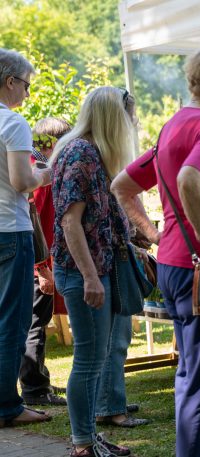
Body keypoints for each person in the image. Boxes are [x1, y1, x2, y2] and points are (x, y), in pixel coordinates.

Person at [111, 46, 200, 457]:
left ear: (192, 82)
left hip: (173, 265)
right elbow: (190, 177)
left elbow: (123, 185)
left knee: (190, 377)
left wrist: (155, 234)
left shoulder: (172, 126)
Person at [50, 86, 134, 457]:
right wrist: (88, 276)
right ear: (113, 117)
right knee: (88, 359)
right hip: (83, 272)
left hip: (94, 269)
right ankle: (83, 443)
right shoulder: (82, 153)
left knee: (94, 358)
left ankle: (89, 439)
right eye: (128, 115)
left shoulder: (89, 150)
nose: (132, 123)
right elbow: (71, 223)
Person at [0, 48, 53, 428]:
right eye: (26, 84)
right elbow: (22, 182)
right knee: (12, 322)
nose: (27, 94)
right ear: (9, 81)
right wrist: (48, 174)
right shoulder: (12, 122)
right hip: (10, 231)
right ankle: (7, 408)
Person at [95, 91, 150, 429]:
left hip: (112, 256)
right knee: (115, 337)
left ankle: (111, 400)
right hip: (108, 259)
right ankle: (110, 408)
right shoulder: (96, 157)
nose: (135, 122)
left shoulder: (102, 155)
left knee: (117, 336)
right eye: (131, 115)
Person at [20, 117, 71, 408]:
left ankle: (39, 378)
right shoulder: (38, 171)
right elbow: (33, 218)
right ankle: (35, 388)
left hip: (36, 259)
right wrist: (41, 267)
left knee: (35, 322)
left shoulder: (34, 164)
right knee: (35, 324)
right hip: (35, 260)